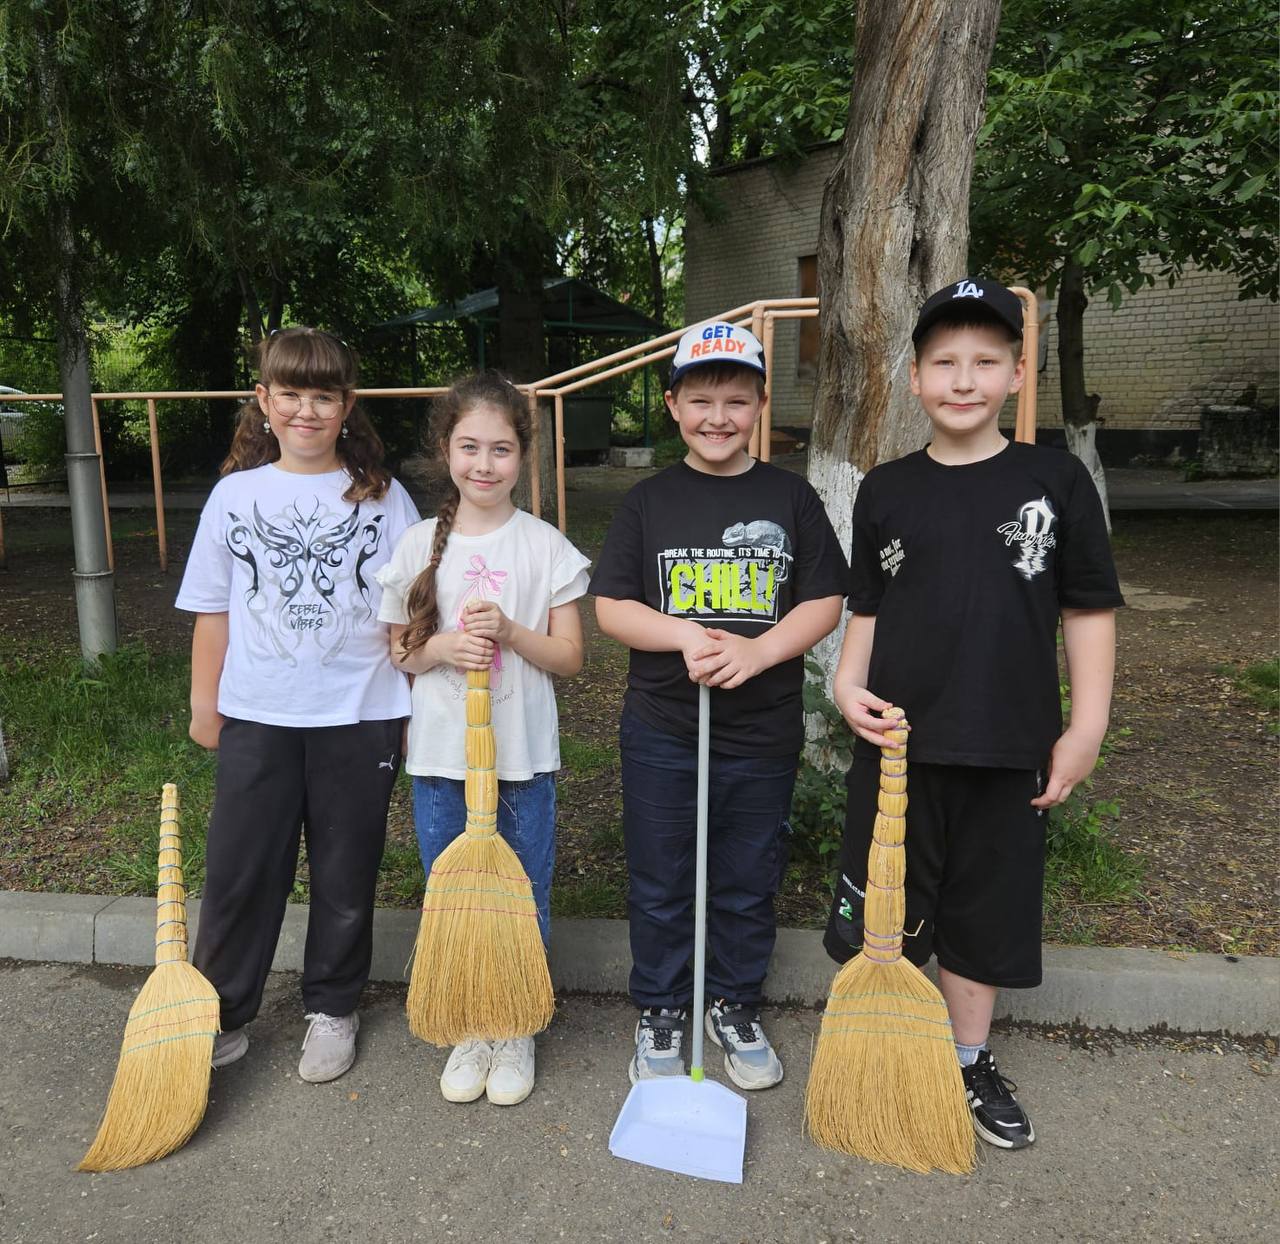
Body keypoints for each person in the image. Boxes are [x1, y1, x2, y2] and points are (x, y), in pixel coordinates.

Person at [826, 276, 1124, 1149]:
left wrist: (1087, 726)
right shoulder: (885, 487)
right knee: (888, 905)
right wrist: (847, 685)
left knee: (984, 915)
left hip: (1007, 743)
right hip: (896, 744)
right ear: (914, 377)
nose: (964, 379)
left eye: (985, 361)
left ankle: (966, 1058)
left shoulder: (1056, 480)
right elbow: (868, 607)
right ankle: (889, 1047)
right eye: (944, 362)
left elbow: (1088, 610)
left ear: (1016, 372)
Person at [591, 321, 846, 1090]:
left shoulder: (790, 497)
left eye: (737, 401)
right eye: (700, 400)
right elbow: (611, 607)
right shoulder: (649, 502)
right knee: (663, 876)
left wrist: (759, 650)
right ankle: (663, 1007)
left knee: (745, 876)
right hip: (665, 728)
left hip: (761, 733)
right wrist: (681, 635)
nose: (718, 417)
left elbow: (825, 598)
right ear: (672, 406)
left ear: (762, 404)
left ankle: (733, 1001)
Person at [176, 327, 420, 1083]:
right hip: (259, 713)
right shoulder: (235, 496)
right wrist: (203, 704)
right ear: (264, 400)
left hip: (359, 713)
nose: (307, 411)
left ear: (347, 406)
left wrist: (411, 709)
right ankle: (220, 1011)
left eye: (324, 396)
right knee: (240, 871)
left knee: (347, 871)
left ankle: (333, 1006)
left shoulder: (383, 497)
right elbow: (213, 609)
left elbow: (412, 612)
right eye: (291, 394)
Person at [377, 371, 589, 1108]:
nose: (485, 464)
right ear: (446, 449)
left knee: (523, 888)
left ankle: (517, 1019)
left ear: (522, 456)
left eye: (501, 449)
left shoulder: (545, 547)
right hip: (441, 759)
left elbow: (570, 658)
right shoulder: (415, 547)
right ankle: (471, 1019)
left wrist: (512, 633)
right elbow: (399, 650)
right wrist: (438, 650)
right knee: (454, 887)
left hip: (523, 757)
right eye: (470, 447)